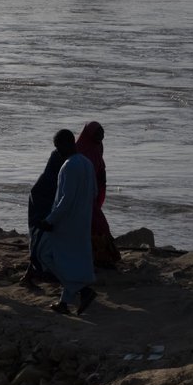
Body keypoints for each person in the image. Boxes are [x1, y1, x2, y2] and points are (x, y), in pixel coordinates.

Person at [37, 129, 98, 315]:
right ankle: (64, 302)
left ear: (67, 143)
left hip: (65, 223)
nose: (57, 151)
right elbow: (94, 193)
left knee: (45, 254)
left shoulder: (69, 166)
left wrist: (50, 220)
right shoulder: (87, 163)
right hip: (82, 221)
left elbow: (65, 199)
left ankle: (83, 290)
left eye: (58, 147)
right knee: (71, 260)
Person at [21, 133, 69, 288]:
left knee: (40, 245)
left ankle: (31, 275)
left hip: (47, 214)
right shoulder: (50, 180)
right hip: (42, 212)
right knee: (41, 245)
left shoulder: (56, 176)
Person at [77, 121, 121, 268]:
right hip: (83, 193)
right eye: (98, 134)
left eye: (102, 134)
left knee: (95, 221)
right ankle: (100, 257)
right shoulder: (81, 149)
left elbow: (100, 165)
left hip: (96, 188)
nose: (101, 137)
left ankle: (99, 257)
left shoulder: (98, 146)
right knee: (97, 223)